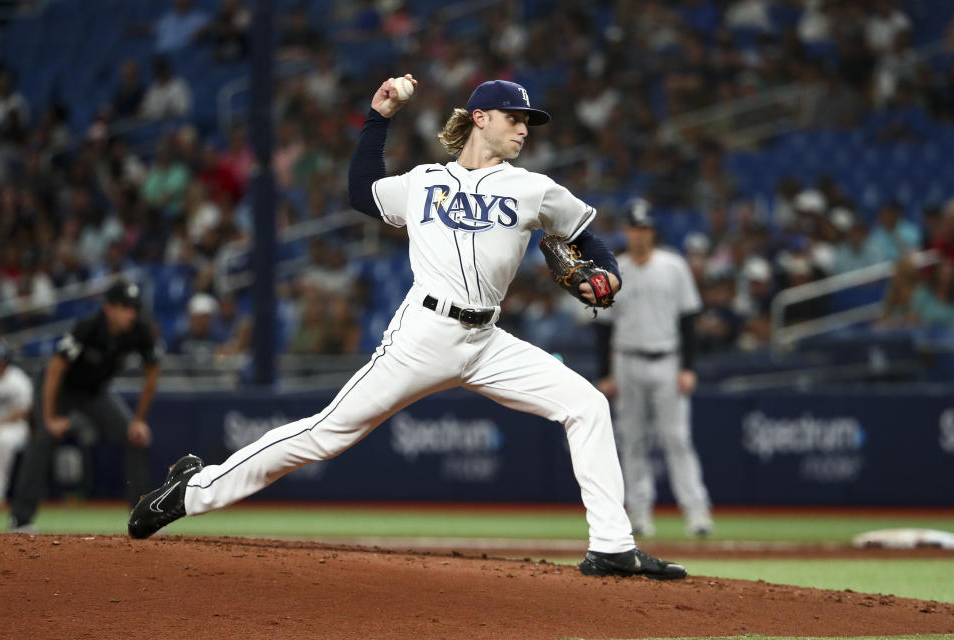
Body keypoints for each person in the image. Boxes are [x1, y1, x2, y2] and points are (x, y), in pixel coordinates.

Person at [128, 76, 687, 580]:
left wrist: (608, 276)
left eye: (527, 122)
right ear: (480, 119)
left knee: (586, 404)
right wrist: (380, 117)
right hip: (423, 334)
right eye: (515, 118)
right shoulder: (422, 183)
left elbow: (589, 239)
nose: (523, 128)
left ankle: (612, 545)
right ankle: (193, 490)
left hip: (488, 340)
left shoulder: (533, 188)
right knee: (326, 434)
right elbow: (360, 191)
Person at [596, 199, 713, 537]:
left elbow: (689, 318)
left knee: (677, 439)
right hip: (627, 361)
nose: (639, 233)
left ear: (652, 232)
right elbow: (603, 326)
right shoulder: (614, 269)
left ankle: (697, 514)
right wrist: (605, 372)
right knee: (632, 441)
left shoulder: (673, 266)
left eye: (644, 227)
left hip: (667, 359)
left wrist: (688, 366)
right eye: (634, 227)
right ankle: (640, 514)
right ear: (626, 231)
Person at [8, 280, 162, 531]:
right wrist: (48, 418)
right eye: (124, 307)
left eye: (133, 307)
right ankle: (20, 519)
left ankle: (143, 517)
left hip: (94, 392)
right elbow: (55, 369)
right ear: (108, 308)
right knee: (43, 438)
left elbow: (153, 373)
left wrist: (139, 420)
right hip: (58, 389)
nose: (130, 313)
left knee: (135, 436)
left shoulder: (140, 330)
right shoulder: (88, 327)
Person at [0, 340, 32, 507]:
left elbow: (24, 411)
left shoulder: (18, 379)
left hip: (16, 426)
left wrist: (0, 423)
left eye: (0, 361)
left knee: (3, 441)